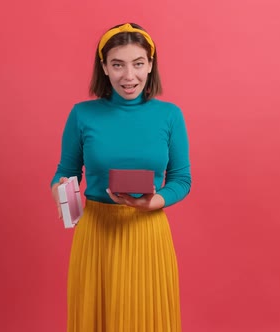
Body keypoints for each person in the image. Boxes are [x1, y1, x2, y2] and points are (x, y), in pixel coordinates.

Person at [50, 22, 191, 332]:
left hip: (148, 233)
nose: (129, 76)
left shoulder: (170, 115)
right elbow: (65, 173)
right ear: (104, 67)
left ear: (151, 64)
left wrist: (156, 201)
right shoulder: (82, 114)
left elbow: (181, 179)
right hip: (96, 233)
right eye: (118, 64)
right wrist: (61, 192)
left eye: (138, 64)